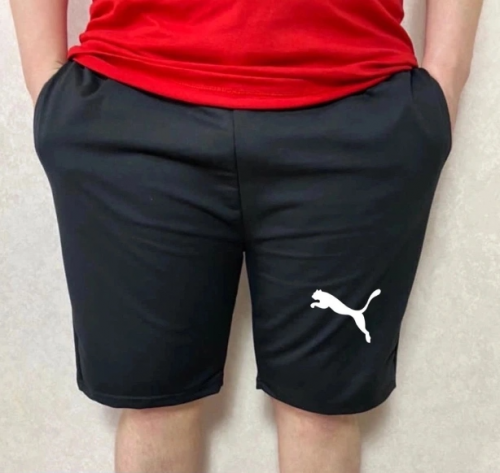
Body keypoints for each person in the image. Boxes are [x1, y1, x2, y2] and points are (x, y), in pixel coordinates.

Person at [10, 0, 484, 471]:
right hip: (132, 101)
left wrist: (446, 78)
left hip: (353, 107)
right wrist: (44, 80)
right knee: (154, 406)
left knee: (321, 415)